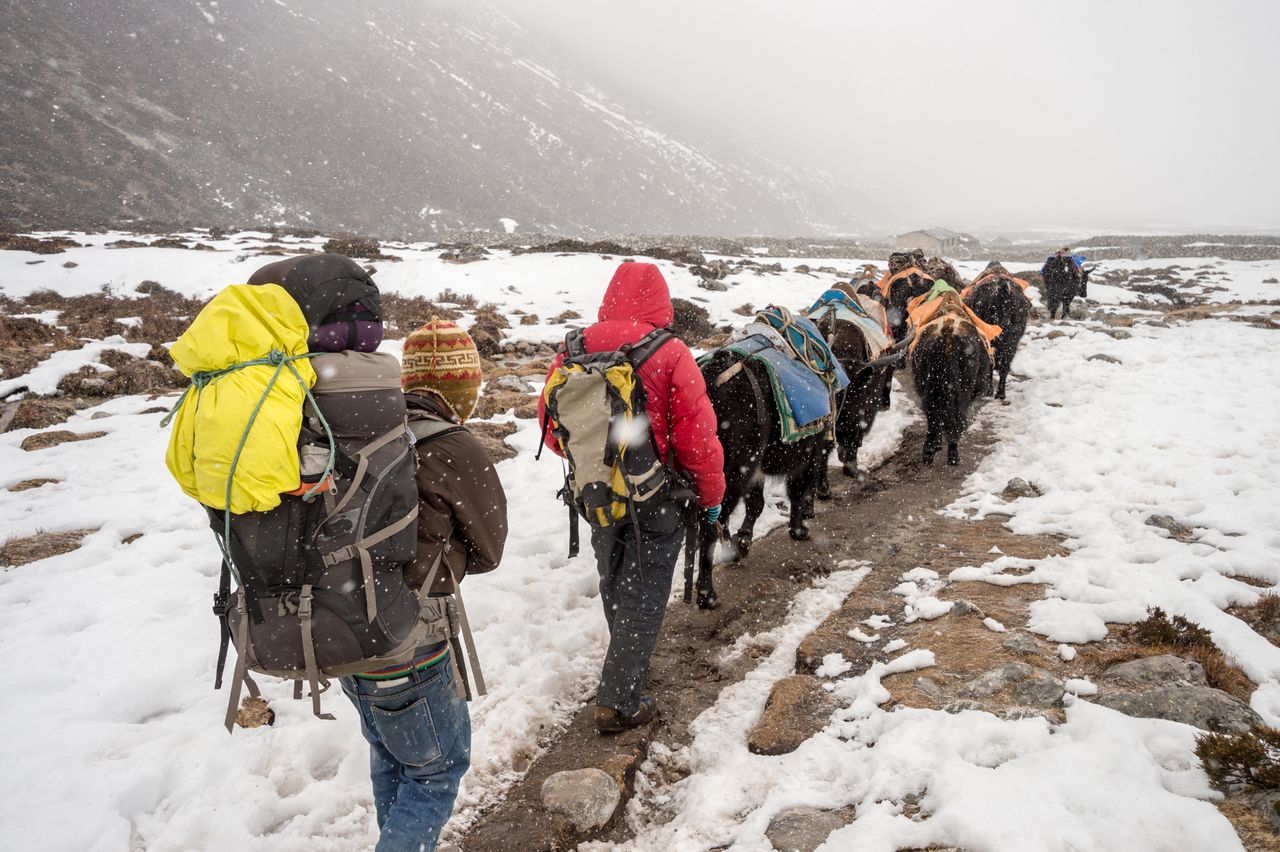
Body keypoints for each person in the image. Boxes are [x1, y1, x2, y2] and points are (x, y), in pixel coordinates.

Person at [341, 317, 508, 852]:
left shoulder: (362, 432)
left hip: (342, 630)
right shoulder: (453, 446)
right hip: (412, 640)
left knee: (394, 759)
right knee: (436, 773)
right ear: (466, 388)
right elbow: (489, 550)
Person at [538, 262, 725, 733]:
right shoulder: (671, 352)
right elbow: (697, 436)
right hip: (656, 494)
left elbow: (551, 426)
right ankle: (620, 700)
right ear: (661, 301)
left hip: (595, 493)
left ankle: (626, 665)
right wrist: (711, 495)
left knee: (615, 579)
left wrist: (597, 462)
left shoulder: (574, 348)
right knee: (645, 587)